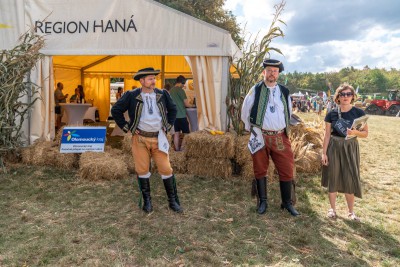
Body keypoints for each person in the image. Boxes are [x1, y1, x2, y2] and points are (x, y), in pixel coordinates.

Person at [111, 67, 182, 213]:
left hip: (159, 138)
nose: (154, 81)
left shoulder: (162, 94)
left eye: (154, 78)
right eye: (150, 79)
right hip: (140, 139)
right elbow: (116, 110)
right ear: (141, 81)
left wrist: (168, 125)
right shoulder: (131, 95)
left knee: (166, 169)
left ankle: (173, 201)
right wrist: (128, 127)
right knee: (142, 170)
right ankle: (147, 202)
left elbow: (173, 109)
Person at [241, 59, 299, 216]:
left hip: (280, 135)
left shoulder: (284, 91)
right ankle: (262, 202)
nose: (272, 73)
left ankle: (287, 203)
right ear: (263, 72)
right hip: (260, 135)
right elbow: (245, 110)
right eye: (269, 70)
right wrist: (251, 129)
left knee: (286, 168)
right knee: (260, 169)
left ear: (278, 74)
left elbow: (288, 111)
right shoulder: (256, 90)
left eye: (275, 71)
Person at [321, 83, 368, 221]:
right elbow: (327, 135)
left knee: (349, 177)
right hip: (334, 147)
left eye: (348, 94)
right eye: (343, 94)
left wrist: (354, 132)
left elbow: (365, 134)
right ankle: (332, 209)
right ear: (338, 97)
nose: (346, 97)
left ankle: (351, 212)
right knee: (333, 176)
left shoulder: (359, 113)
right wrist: (324, 153)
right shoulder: (331, 114)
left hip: (350, 147)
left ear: (353, 96)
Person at [169, 75, 194, 151]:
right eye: (183, 84)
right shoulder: (181, 90)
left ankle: (177, 149)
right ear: (181, 83)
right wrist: (194, 105)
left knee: (176, 133)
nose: (183, 86)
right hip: (181, 115)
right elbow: (186, 104)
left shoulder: (171, 90)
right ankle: (182, 149)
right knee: (186, 133)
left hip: (174, 116)